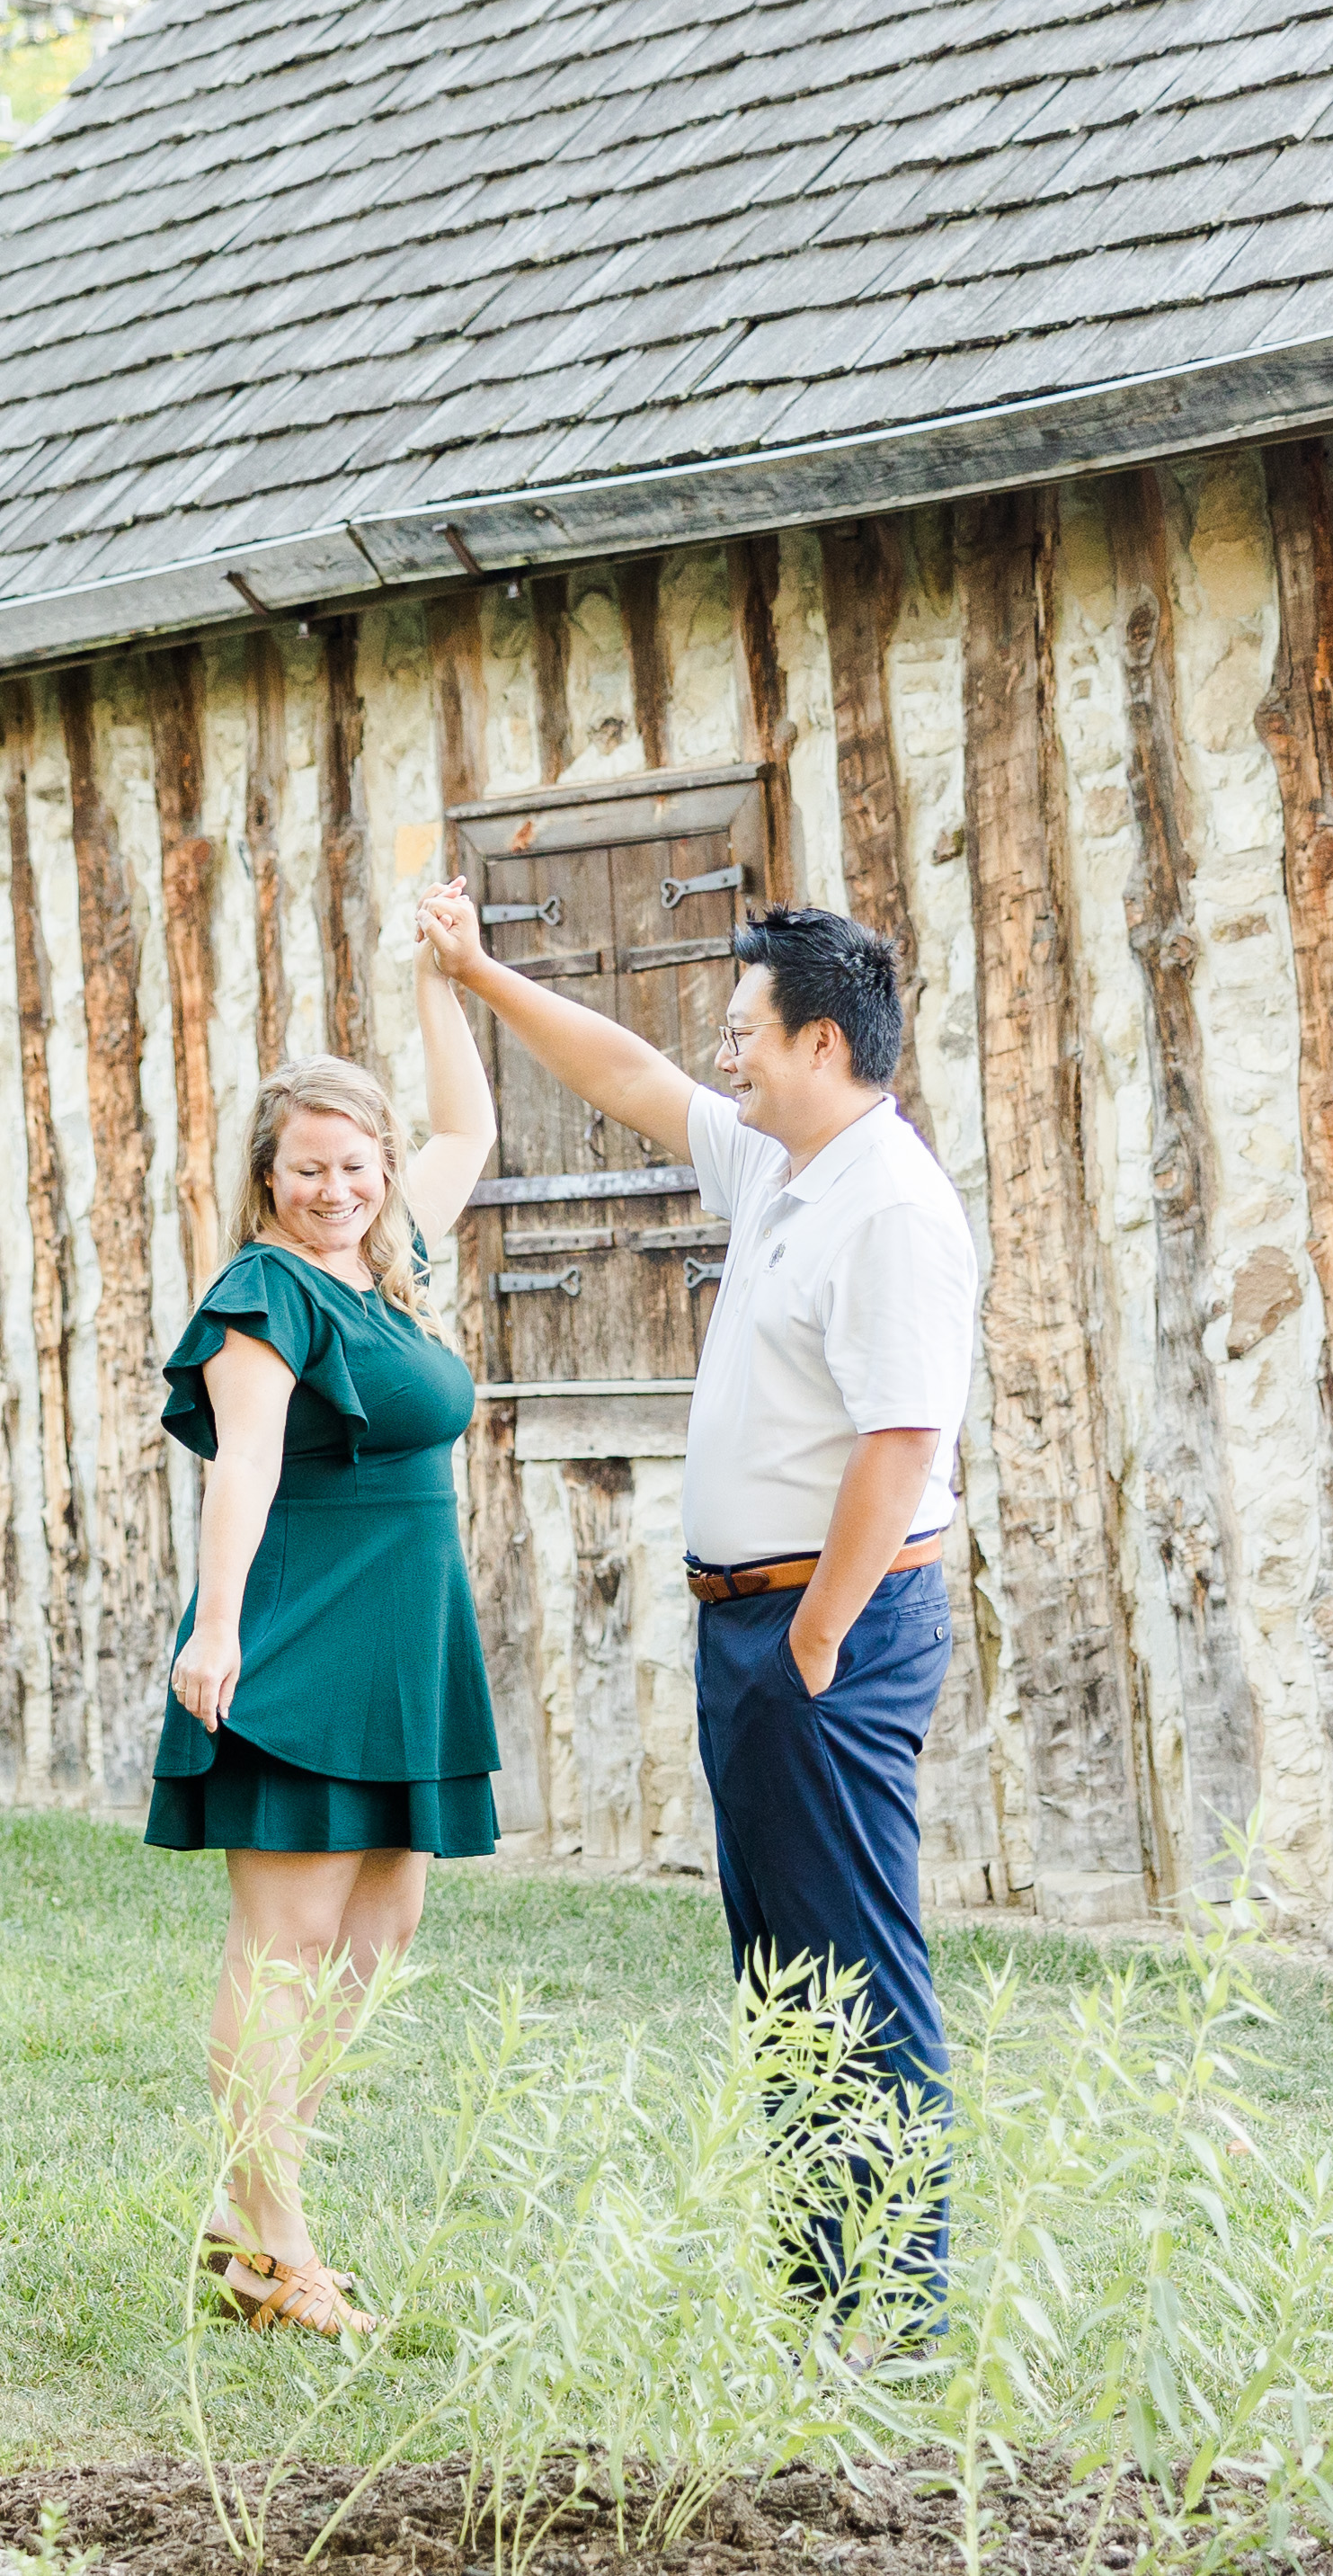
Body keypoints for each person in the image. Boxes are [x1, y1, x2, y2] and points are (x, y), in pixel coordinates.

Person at [415, 886, 974, 2307]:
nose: (723, 1056)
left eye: (746, 1033)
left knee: (848, 1955)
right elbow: (629, 1078)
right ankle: (819, 2283)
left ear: (823, 1047)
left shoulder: (889, 1208)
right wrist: (480, 975)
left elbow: (900, 1440)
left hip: (823, 1629)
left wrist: (814, 1637)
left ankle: (889, 2306)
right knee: (784, 1961)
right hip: (757, 1622)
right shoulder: (785, 1166)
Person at [152, 907, 498, 2340]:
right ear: (265, 1176)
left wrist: (440, 979)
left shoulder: (390, 1256)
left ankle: (248, 2210)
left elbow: (468, 1125)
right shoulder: (264, 1294)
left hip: (406, 1631)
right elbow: (239, 1469)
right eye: (308, 1169)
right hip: (300, 1618)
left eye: (355, 1165)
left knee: (383, 1924)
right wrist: (215, 1631)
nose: (335, 1189)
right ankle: (277, 2242)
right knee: (284, 1937)